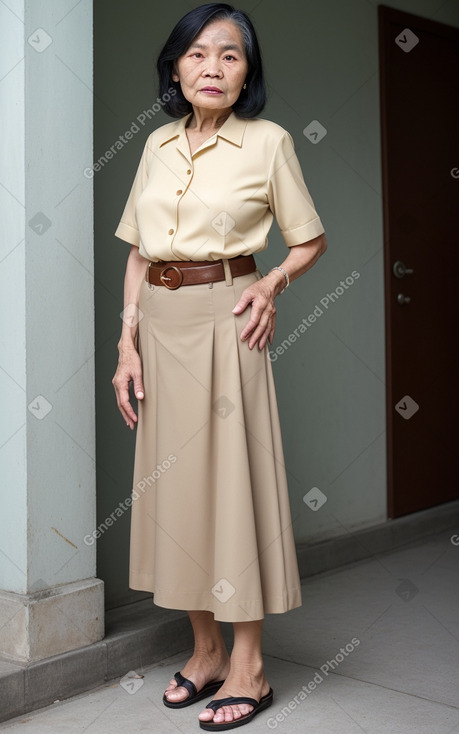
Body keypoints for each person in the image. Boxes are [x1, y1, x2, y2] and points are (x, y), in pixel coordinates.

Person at [112, 3, 327, 730]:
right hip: (160, 326)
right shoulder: (155, 148)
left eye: (230, 56)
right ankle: (203, 652)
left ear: (246, 74)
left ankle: (250, 666)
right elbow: (140, 252)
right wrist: (125, 342)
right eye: (198, 53)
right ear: (175, 67)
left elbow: (307, 240)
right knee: (178, 492)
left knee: (231, 488)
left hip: (229, 318)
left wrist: (269, 285)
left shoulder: (268, 143)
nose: (213, 67)